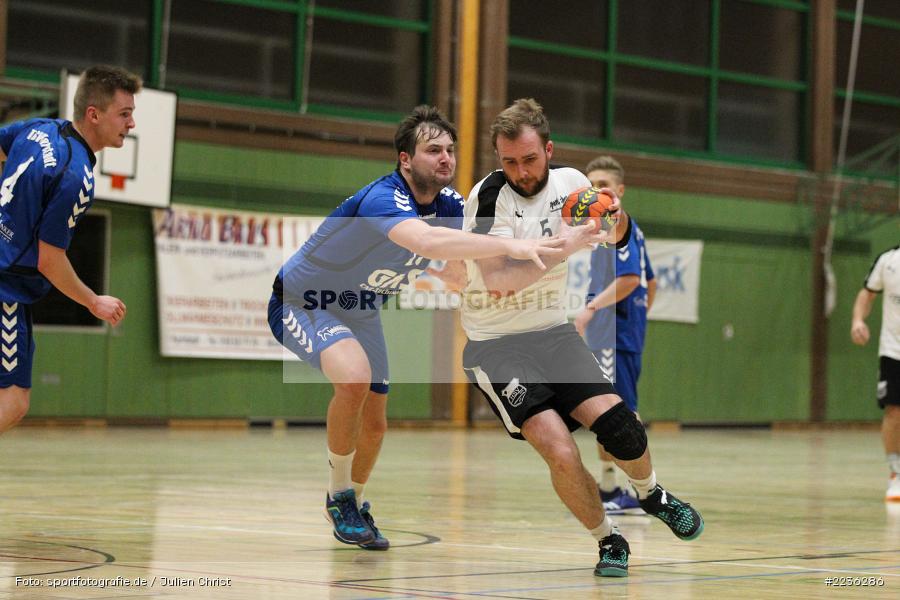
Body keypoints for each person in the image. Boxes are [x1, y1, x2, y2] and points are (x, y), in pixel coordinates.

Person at [268, 105, 563, 551]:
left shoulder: (449, 205)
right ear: (405, 159)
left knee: (376, 424)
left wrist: (496, 282)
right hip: (305, 300)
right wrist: (514, 244)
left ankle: (356, 503)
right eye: (432, 150)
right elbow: (425, 242)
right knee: (353, 378)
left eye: (449, 150)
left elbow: (459, 264)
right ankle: (339, 496)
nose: (445, 158)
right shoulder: (384, 198)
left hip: (361, 310)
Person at [460, 98, 703, 578]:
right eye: (509, 161)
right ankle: (608, 541)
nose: (520, 171)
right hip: (496, 344)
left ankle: (652, 494)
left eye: (529, 159)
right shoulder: (487, 200)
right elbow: (498, 281)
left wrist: (613, 219)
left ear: (548, 150)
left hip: (553, 333)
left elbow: (616, 235)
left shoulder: (574, 184)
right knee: (559, 448)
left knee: (620, 427)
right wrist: (565, 246)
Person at [0, 65, 140, 434]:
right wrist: (94, 302)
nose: (131, 124)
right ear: (94, 114)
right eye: (124, 114)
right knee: (13, 400)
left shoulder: (38, 129)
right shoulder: (76, 176)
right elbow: (50, 260)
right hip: (6, 288)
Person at [574, 156, 656, 515]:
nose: (596, 192)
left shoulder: (616, 229)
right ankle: (611, 488)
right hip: (622, 332)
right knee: (609, 412)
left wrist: (592, 310)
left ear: (619, 190)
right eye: (590, 185)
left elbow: (632, 281)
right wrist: (639, 314)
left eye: (603, 185)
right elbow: (651, 283)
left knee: (620, 413)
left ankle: (640, 490)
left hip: (614, 334)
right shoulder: (623, 229)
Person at [851, 245, 900, 502]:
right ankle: (896, 473)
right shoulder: (888, 260)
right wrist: (858, 320)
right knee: (893, 411)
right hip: (893, 350)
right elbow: (867, 294)